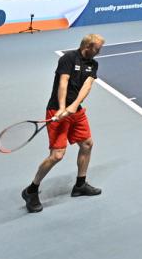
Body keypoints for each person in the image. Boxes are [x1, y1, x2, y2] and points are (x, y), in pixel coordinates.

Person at [22, 33, 106, 214]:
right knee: (57, 155)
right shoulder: (68, 58)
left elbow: (87, 86)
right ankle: (31, 190)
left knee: (87, 144)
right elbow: (63, 82)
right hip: (56, 110)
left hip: (76, 111)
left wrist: (74, 106)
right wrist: (62, 108)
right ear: (88, 47)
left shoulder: (93, 64)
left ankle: (80, 185)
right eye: (98, 49)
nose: (99, 52)